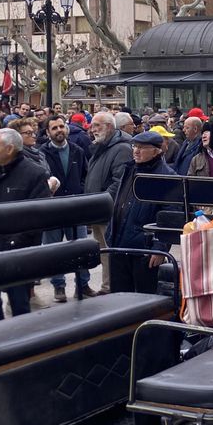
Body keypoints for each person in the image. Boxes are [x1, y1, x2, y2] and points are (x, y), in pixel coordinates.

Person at [0, 129, 52, 322]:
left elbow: (37, 217)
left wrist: (15, 244)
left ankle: (22, 346)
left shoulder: (34, 174)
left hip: (18, 255)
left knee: (20, 306)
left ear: (9, 149)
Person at [108, 132, 176, 293]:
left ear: (157, 151)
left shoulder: (167, 176)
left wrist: (160, 248)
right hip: (118, 244)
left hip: (145, 250)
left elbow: (170, 215)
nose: (136, 151)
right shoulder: (130, 168)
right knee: (119, 296)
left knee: (145, 298)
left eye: (142, 148)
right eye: (135, 146)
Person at [40, 115, 93, 302]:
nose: (59, 130)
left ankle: (83, 284)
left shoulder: (77, 150)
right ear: (48, 132)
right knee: (54, 250)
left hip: (75, 207)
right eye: (54, 128)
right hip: (52, 209)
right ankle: (59, 286)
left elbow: (86, 175)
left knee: (80, 247)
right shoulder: (42, 153)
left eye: (61, 126)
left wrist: (81, 192)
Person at [84, 112, 133, 295]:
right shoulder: (101, 146)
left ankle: (110, 287)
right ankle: (108, 286)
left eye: (97, 125)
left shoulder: (121, 149)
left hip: (108, 211)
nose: (92, 129)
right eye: (92, 125)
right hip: (99, 210)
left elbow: (119, 181)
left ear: (109, 127)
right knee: (104, 252)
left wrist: (101, 202)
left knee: (109, 252)